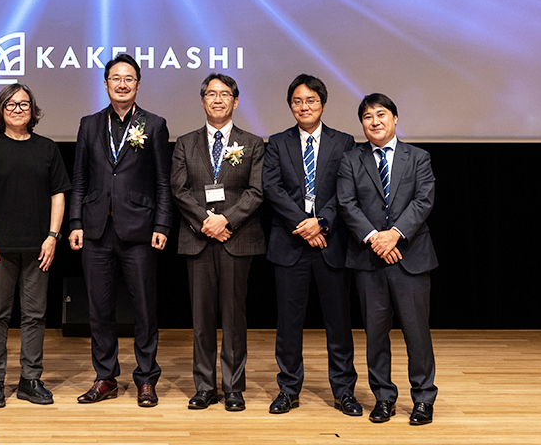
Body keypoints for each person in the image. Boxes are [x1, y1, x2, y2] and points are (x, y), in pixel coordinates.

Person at [68, 53, 173, 407]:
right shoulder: (89, 124)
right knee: (99, 309)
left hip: (140, 230)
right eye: (116, 78)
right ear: (106, 84)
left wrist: (162, 223)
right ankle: (106, 377)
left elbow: (162, 182)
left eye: (129, 78)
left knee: (144, 309)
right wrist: (76, 222)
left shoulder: (154, 124)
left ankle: (146, 378)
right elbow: (80, 180)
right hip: (96, 230)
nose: (122, 84)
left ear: (138, 85)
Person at [261, 74, 361, 416]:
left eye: (311, 101)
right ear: (291, 106)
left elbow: (346, 190)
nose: (304, 106)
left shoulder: (344, 142)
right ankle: (288, 389)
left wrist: (323, 222)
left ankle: (344, 391)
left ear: (323, 103)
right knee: (289, 324)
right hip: (290, 244)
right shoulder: (277, 142)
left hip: (330, 243)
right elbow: (272, 189)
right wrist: (304, 225)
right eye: (298, 101)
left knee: (339, 323)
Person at [337, 93, 438, 426]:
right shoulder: (351, 160)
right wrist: (374, 238)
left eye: (381, 114)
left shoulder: (418, 157)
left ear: (395, 118)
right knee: (375, 334)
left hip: (410, 257)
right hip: (369, 259)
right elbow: (347, 204)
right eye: (367, 117)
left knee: (416, 333)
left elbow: (423, 201)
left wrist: (394, 234)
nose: (375, 121)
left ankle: (423, 398)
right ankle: (383, 397)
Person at [0, 83, 71, 408]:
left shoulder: (47, 148)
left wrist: (53, 236)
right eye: (11, 104)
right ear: (0, 110)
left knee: (35, 316)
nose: (18, 109)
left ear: (33, 110)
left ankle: (30, 379)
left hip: (38, 247)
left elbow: (59, 194)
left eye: (24, 104)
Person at [170, 73, 265, 412]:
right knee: (202, 318)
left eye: (225, 94)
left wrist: (226, 220)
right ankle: (205, 386)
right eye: (211, 94)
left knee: (234, 317)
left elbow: (256, 191)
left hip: (236, 239)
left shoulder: (252, 143)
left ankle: (234, 387)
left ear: (235, 101)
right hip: (198, 239)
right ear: (202, 101)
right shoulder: (185, 143)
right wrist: (206, 222)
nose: (218, 99)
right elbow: (179, 190)